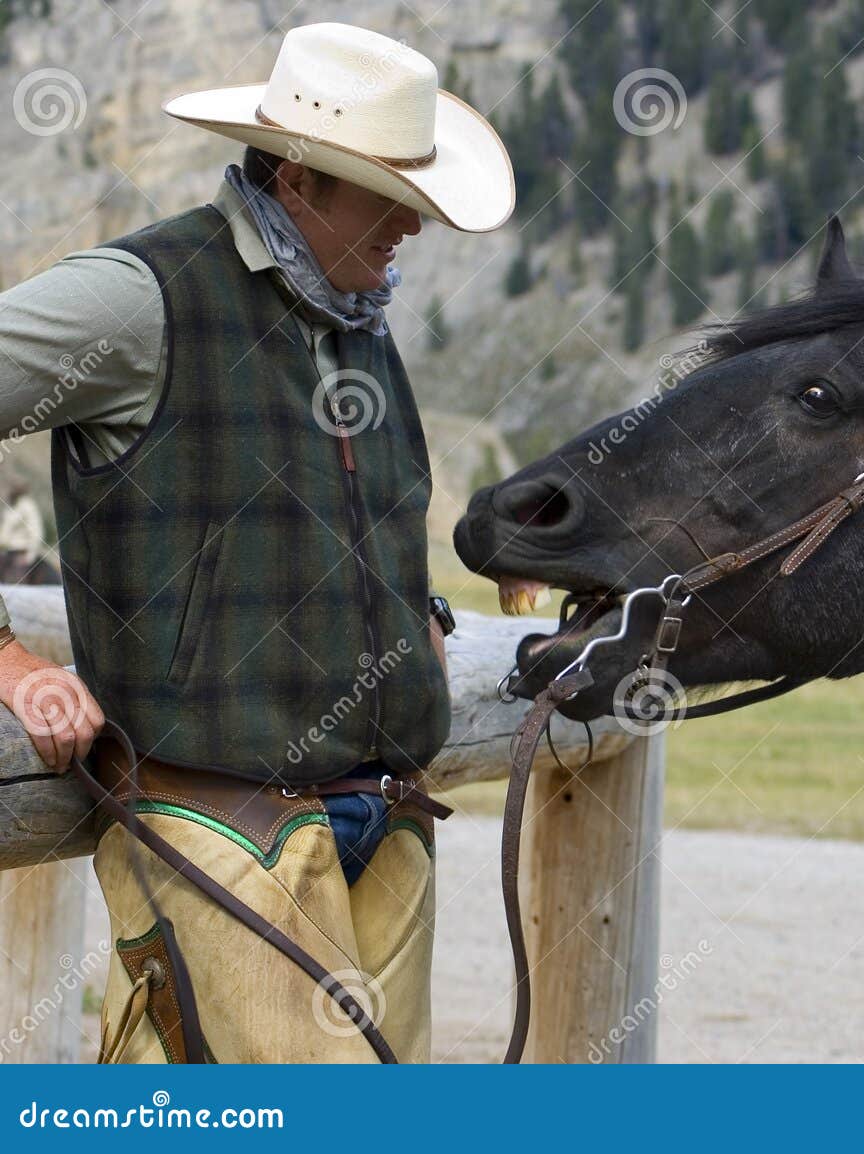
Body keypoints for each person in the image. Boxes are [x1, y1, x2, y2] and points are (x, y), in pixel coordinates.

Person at [0, 22, 514, 1062]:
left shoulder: (353, 306)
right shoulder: (138, 295)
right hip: (212, 826)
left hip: (385, 822)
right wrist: (7, 658)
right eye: (390, 196)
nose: (414, 226)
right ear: (299, 180)